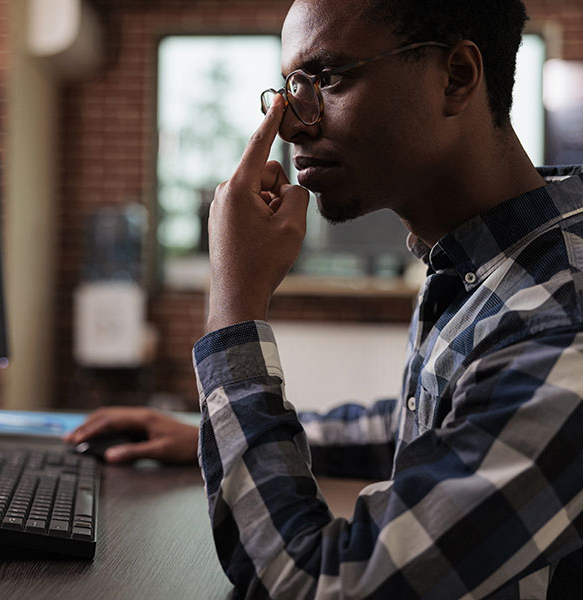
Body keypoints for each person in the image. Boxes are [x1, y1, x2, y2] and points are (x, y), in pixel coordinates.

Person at [66, 0, 583, 597]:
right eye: (289, 87)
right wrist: (208, 435)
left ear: (457, 76)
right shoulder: (492, 252)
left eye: (327, 78)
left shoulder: (559, 321)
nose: (290, 124)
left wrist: (234, 302)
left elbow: (307, 581)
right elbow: (437, 423)